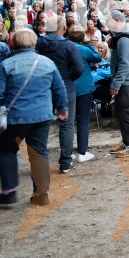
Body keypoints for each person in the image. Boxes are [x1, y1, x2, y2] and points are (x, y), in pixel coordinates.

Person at [0, 29, 68, 206]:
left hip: (15, 118)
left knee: (7, 150)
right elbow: (59, 88)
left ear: (14, 43)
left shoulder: (6, 65)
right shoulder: (47, 63)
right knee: (39, 152)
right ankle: (41, 193)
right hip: (41, 116)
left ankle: (9, 191)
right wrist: (62, 108)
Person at [36, 15, 84, 174]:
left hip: (44, 86)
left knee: (42, 124)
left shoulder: (38, 43)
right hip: (65, 85)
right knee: (67, 124)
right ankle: (65, 162)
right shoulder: (69, 46)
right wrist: (69, 78)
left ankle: (39, 163)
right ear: (63, 28)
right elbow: (79, 69)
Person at [107, 10, 129, 158]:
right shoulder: (121, 37)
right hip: (125, 82)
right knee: (122, 112)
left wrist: (116, 84)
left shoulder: (124, 39)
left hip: (126, 82)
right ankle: (127, 141)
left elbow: (125, 63)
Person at [68, 26, 102, 163]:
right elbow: (97, 57)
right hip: (84, 88)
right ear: (83, 37)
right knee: (83, 120)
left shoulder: (65, 47)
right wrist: (89, 44)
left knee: (67, 122)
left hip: (67, 86)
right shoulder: (82, 49)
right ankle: (82, 152)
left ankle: (67, 152)